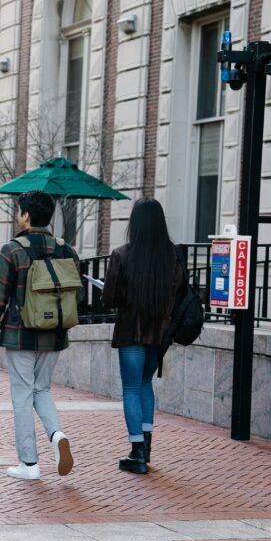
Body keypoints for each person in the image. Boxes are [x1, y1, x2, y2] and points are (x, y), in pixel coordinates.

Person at [0, 190, 77, 480]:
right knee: (42, 390)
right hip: (54, 335)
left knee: (22, 396)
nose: (18, 216)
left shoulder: (13, 250)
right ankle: (56, 435)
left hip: (20, 335)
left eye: (19, 211)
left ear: (26, 215)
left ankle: (29, 464)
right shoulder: (66, 250)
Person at [102, 197, 186, 474]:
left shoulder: (122, 255)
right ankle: (146, 449)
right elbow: (177, 292)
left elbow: (110, 298)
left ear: (134, 224)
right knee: (146, 384)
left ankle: (136, 452)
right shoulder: (172, 255)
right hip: (159, 333)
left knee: (131, 389)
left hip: (131, 332)